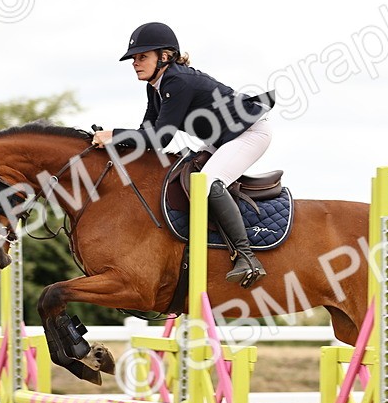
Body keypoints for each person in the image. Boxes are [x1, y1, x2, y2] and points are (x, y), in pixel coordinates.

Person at [93, 22, 273, 287]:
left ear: (164, 57)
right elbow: (148, 133)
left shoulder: (177, 81)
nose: (135, 62)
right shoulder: (155, 87)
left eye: (142, 56)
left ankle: (247, 258)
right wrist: (112, 143)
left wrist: (114, 135)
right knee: (186, 176)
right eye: (134, 58)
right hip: (222, 138)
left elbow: (161, 138)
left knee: (207, 182)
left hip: (250, 132)